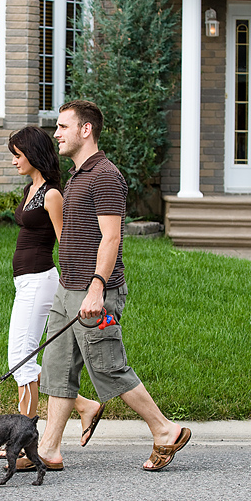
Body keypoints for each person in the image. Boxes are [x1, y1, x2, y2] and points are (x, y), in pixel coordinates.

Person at [16, 101, 191, 472]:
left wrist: (97, 287)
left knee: (109, 367)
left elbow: (112, 238)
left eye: (63, 127)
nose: (56, 134)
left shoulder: (105, 176)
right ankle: (47, 449)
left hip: (95, 290)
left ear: (86, 130)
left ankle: (164, 430)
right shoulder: (79, 175)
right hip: (69, 287)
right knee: (59, 368)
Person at [0, 126, 106, 460]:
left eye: (18, 154)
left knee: (21, 361)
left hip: (40, 280)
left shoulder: (53, 194)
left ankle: (22, 443)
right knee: (22, 358)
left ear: (33, 154)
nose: (14, 161)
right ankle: (84, 406)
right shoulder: (31, 188)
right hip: (26, 282)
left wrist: (77, 286)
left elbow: (65, 241)